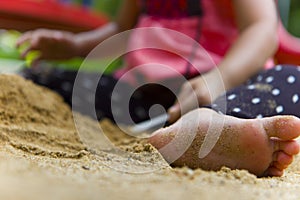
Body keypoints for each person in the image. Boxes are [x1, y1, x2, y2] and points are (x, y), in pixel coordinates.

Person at [16, 0, 300, 177]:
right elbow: (121, 28)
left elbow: (261, 27)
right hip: (140, 95)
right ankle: (178, 132)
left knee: (290, 78)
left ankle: (216, 126)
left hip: (223, 90)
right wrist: (75, 46)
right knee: (39, 77)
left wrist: (218, 79)